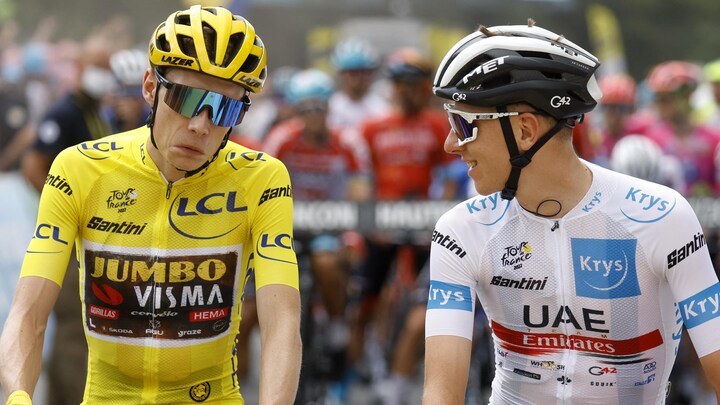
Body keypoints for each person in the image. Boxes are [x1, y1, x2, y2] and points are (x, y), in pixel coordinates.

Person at [0, 5, 301, 405]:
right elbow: (28, 315)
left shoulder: (262, 178)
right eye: (185, 98)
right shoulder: (80, 169)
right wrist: (18, 398)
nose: (201, 125)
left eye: (225, 108)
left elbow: (282, 323)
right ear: (149, 87)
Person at [423, 21, 720, 405]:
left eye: (463, 125)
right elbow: (440, 394)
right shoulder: (461, 230)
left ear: (525, 130)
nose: (451, 144)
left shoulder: (662, 217)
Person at [327, 37, 390, 132]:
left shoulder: (382, 110)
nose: (357, 78)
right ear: (341, 74)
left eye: (363, 72)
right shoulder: (330, 109)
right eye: (352, 73)